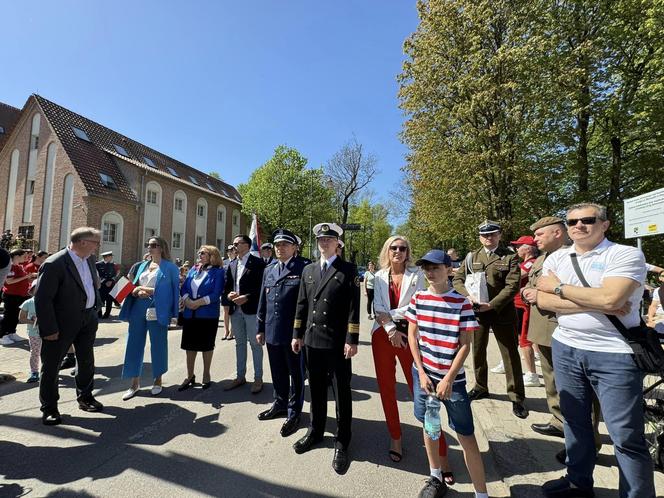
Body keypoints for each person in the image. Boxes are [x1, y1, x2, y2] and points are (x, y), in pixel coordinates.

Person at [537, 203, 655, 498]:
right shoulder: (558, 256)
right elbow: (542, 300)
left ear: (605, 224)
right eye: (572, 221)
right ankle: (578, 482)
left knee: (625, 436)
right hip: (566, 347)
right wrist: (599, 300)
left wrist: (559, 288)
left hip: (614, 353)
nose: (578, 226)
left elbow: (612, 297)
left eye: (587, 220)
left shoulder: (625, 254)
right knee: (575, 423)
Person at [406, 250, 488, 498]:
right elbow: (412, 335)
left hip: (452, 381)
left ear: (449, 270)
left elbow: (465, 344)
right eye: (427, 269)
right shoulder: (418, 298)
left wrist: (449, 378)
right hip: (426, 378)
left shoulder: (461, 302)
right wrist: (421, 372)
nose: (431, 273)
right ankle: (435, 476)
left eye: (436, 268)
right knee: (430, 427)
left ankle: (481, 492)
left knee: (465, 434)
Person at [522, 217, 602, 461]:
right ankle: (559, 421)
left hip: (566, 330)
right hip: (541, 328)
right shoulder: (540, 259)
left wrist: (540, 294)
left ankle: (587, 444)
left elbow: (585, 296)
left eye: (540, 235)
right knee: (552, 382)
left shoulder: (575, 257)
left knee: (578, 391)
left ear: (557, 233)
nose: (535, 240)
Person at [372, 237, 452, 477]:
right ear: (387, 251)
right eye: (393, 248)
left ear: (408, 252)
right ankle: (395, 438)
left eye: (402, 248)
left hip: (412, 337)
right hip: (383, 336)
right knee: (386, 389)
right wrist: (390, 329)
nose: (398, 251)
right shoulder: (377, 276)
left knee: (424, 392)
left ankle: (441, 453)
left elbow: (417, 304)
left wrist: (394, 320)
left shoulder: (417, 274)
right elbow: (376, 308)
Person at [291, 222, 360, 475]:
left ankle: (342, 441)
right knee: (317, 390)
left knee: (341, 392)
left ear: (337, 243)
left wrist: (352, 340)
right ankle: (316, 431)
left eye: (329, 240)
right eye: (320, 240)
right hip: (312, 341)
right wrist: (297, 334)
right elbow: (302, 304)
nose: (324, 243)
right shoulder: (308, 269)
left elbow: (354, 308)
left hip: (337, 343)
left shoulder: (347, 269)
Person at [453, 221, 527, 418]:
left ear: (499, 235)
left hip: (501, 312)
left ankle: (516, 396)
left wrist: (492, 304)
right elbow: (457, 280)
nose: (488, 238)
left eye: (493, 234)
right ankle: (480, 386)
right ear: (479, 237)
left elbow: (512, 286)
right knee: (477, 351)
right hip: (477, 313)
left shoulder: (510, 256)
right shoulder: (471, 257)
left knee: (510, 355)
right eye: (485, 235)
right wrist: (466, 296)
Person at [35, 227, 104, 425]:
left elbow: (91, 286)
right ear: (83, 242)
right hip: (61, 323)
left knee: (86, 361)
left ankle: (85, 397)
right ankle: (49, 408)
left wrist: (94, 310)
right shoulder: (54, 263)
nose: (97, 247)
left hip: (87, 319)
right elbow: (43, 299)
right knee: (51, 367)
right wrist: (48, 329)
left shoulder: (89, 259)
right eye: (95, 243)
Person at [256, 229, 308, 437]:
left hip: (293, 333)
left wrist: (301, 333)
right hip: (271, 330)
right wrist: (260, 328)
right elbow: (263, 301)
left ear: (295, 247)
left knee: (296, 374)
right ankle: (280, 404)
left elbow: (305, 304)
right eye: (277, 245)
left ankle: (294, 412)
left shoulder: (304, 268)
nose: (280, 248)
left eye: (285, 244)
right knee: (277, 371)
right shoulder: (269, 269)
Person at [119, 236, 179, 400]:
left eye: (153, 245)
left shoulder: (170, 268)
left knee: (158, 344)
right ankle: (134, 383)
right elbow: (131, 285)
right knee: (134, 343)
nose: (149, 247)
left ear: (161, 247)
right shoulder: (141, 265)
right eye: (148, 244)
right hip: (138, 307)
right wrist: (136, 290)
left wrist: (174, 315)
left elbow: (173, 292)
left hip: (156, 308)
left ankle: (158, 380)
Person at [178, 245, 224, 390]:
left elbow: (216, 294)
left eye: (203, 253)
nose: (199, 255)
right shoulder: (193, 269)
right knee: (189, 346)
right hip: (190, 314)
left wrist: (197, 303)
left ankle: (206, 374)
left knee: (206, 346)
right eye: (198, 252)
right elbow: (184, 287)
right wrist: (187, 301)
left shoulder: (218, 272)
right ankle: (190, 375)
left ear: (212, 256)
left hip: (208, 315)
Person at [224, 234, 266, 393]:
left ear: (247, 245)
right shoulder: (232, 263)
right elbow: (228, 285)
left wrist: (247, 297)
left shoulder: (258, 263)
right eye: (233, 243)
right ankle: (240, 376)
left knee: (255, 344)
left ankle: (258, 378)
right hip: (235, 310)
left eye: (237, 243)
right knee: (239, 344)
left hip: (251, 309)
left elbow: (262, 288)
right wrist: (229, 295)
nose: (234, 246)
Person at [509, 235, 539, 387]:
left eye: (518, 246)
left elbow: (514, 278)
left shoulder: (530, 264)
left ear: (527, 248)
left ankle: (532, 374)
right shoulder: (526, 263)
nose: (516, 249)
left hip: (523, 305)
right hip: (518, 305)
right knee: (517, 336)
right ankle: (507, 362)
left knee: (524, 340)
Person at [1, 249, 37, 345]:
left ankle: (11, 332)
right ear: (17, 256)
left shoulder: (19, 266)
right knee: (9, 315)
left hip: (19, 295)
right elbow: (9, 281)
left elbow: (22, 280)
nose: (26, 258)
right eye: (24, 256)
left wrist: (30, 278)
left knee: (15, 316)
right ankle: (2, 335)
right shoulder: (11, 266)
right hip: (11, 295)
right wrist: (26, 277)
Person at [19, 280, 40, 383]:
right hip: (34, 334)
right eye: (37, 287)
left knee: (48, 353)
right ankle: (34, 372)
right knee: (35, 353)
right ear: (32, 290)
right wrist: (32, 321)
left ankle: (49, 371)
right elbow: (21, 318)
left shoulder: (52, 301)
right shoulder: (28, 303)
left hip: (49, 332)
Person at [96, 251, 119, 319]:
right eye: (110, 256)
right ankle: (99, 313)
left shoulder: (112, 265)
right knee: (100, 300)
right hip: (101, 285)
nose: (111, 258)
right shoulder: (97, 264)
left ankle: (107, 314)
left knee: (109, 300)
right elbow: (96, 274)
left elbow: (115, 275)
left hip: (110, 286)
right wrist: (105, 281)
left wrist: (111, 281)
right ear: (106, 257)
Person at [221, 245, 237, 340]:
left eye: (231, 250)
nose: (229, 252)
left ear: (235, 251)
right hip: (225, 290)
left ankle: (232, 331)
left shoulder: (238, 261)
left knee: (233, 311)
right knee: (225, 310)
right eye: (228, 250)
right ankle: (226, 330)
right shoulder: (224, 262)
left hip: (234, 290)